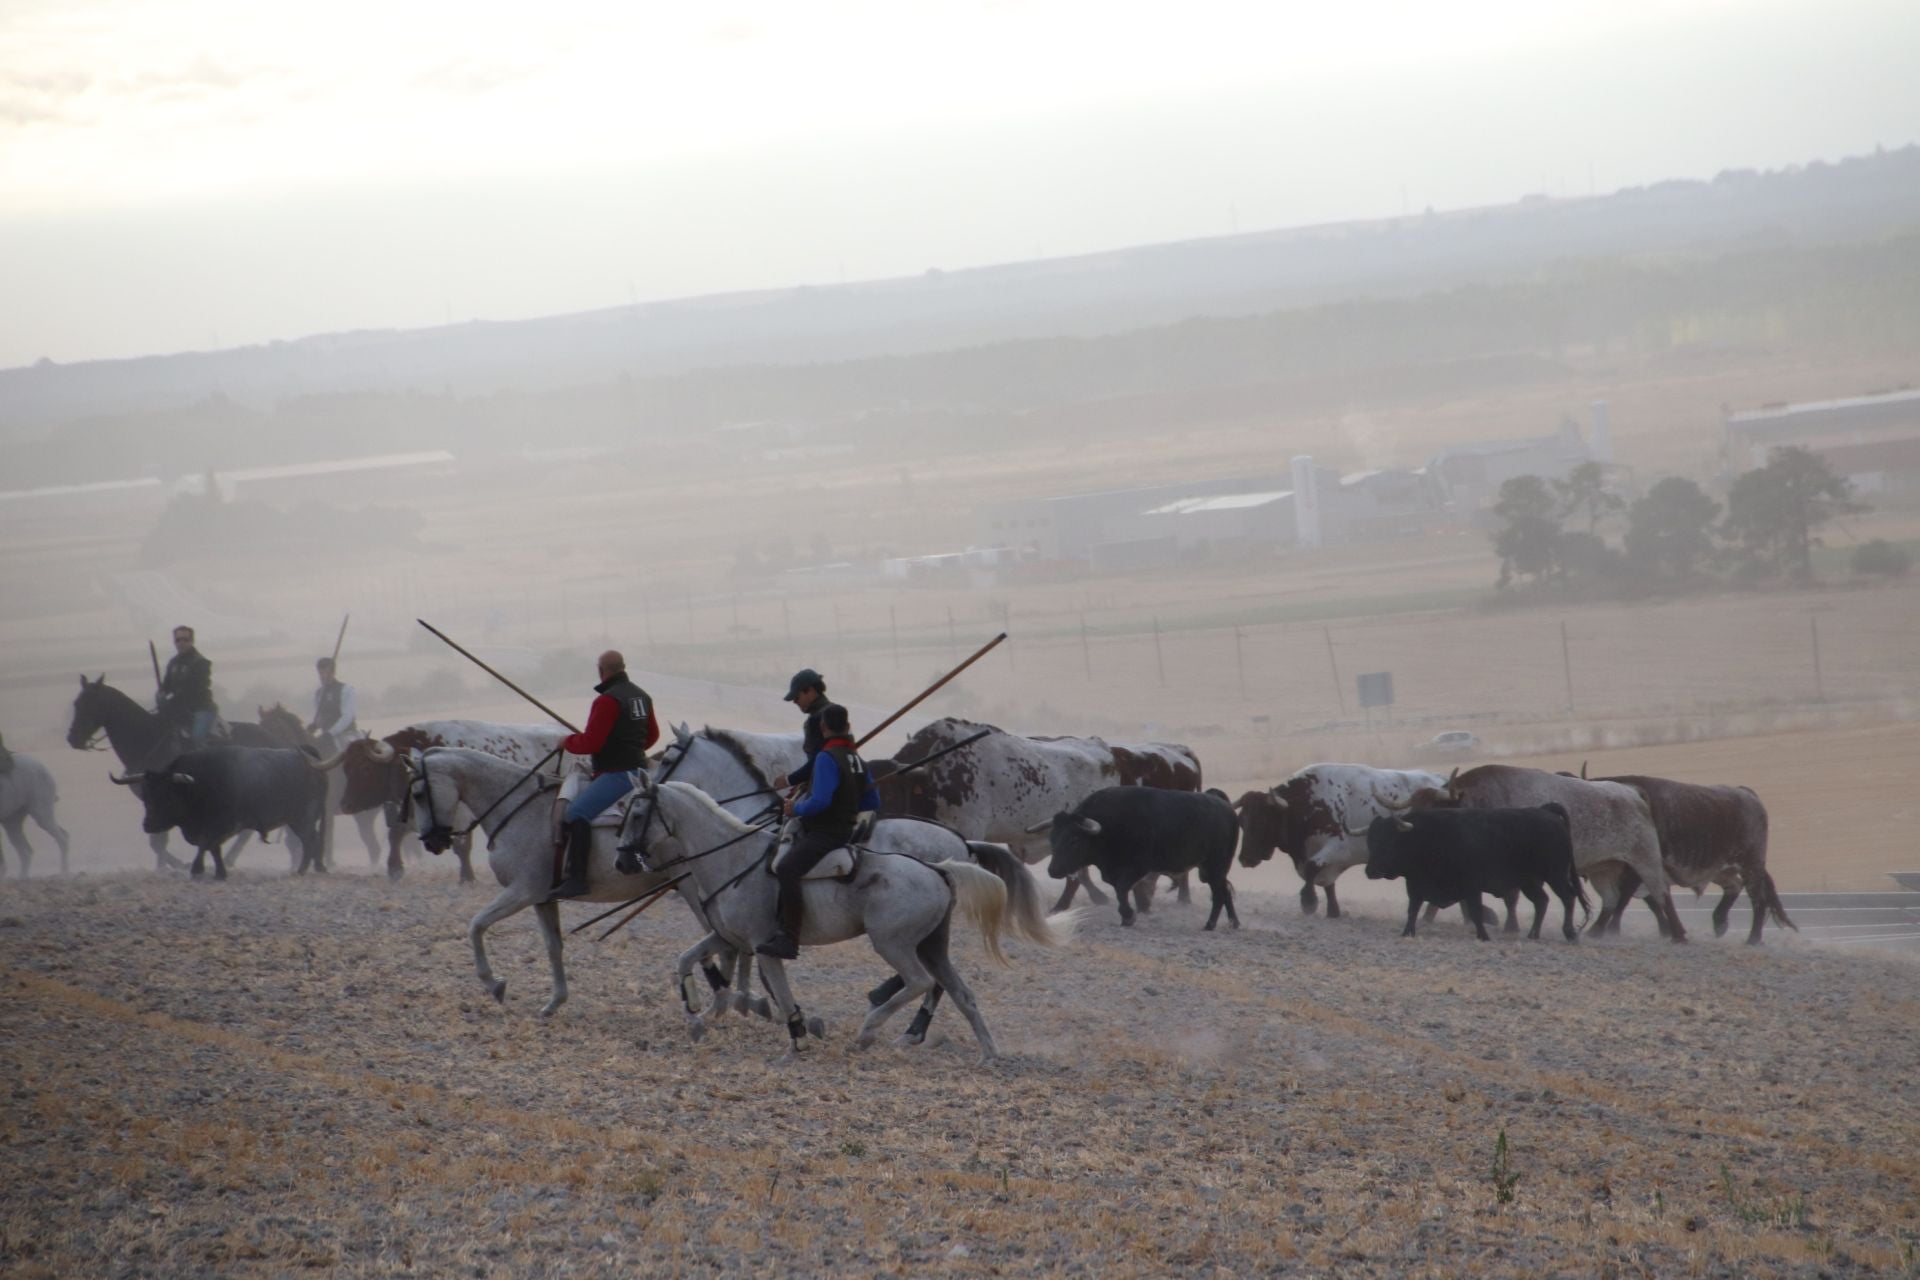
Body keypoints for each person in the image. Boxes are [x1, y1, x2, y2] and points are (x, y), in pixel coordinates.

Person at [758, 701, 878, 960]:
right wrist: (848, 801)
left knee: (787, 868)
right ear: (847, 726)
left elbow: (820, 801)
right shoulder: (858, 760)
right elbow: (872, 802)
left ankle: (789, 939)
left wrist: (795, 808)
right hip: (847, 828)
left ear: (823, 728)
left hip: (826, 833)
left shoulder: (826, 758)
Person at [548, 650, 657, 900]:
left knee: (576, 813)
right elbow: (651, 736)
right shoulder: (642, 696)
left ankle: (577, 879)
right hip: (640, 769)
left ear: (601, 670)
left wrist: (567, 742)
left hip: (618, 773)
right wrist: (629, 746)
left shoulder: (606, 701)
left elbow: (591, 742)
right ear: (623, 667)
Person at [780, 667, 841, 794]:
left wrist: (788, 780)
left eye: (797, 697)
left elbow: (819, 761)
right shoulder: (836, 711)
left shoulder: (817, 719)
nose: (795, 702)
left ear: (811, 691)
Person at [157, 625, 217, 746]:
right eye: (178, 640)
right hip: (179, 709)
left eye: (185, 639)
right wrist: (160, 695)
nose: (181, 643)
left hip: (201, 709)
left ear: (192, 641)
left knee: (197, 738)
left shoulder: (201, 663)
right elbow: (166, 686)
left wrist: (173, 699)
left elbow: (196, 689)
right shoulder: (173, 663)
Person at [305, 657, 357, 751]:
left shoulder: (346, 689)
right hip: (326, 737)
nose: (323, 676)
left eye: (326, 673)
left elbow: (347, 717)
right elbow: (320, 719)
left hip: (347, 735)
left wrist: (331, 733)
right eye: (321, 673)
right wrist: (314, 725)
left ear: (333, 673)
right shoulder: (318, 694)